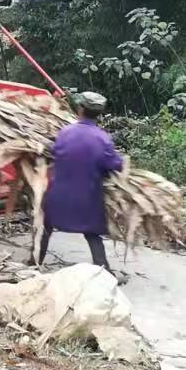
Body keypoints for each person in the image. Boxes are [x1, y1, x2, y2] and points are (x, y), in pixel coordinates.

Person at [38, 91, 125, 271]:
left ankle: (34, 262)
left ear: (80, 109)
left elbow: (55, 152)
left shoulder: (65, 132)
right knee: (92, 234)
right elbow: (115, 165)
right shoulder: (103, 139)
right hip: (87, 199)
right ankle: (104, 270)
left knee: (45, 227)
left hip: (59, 197)